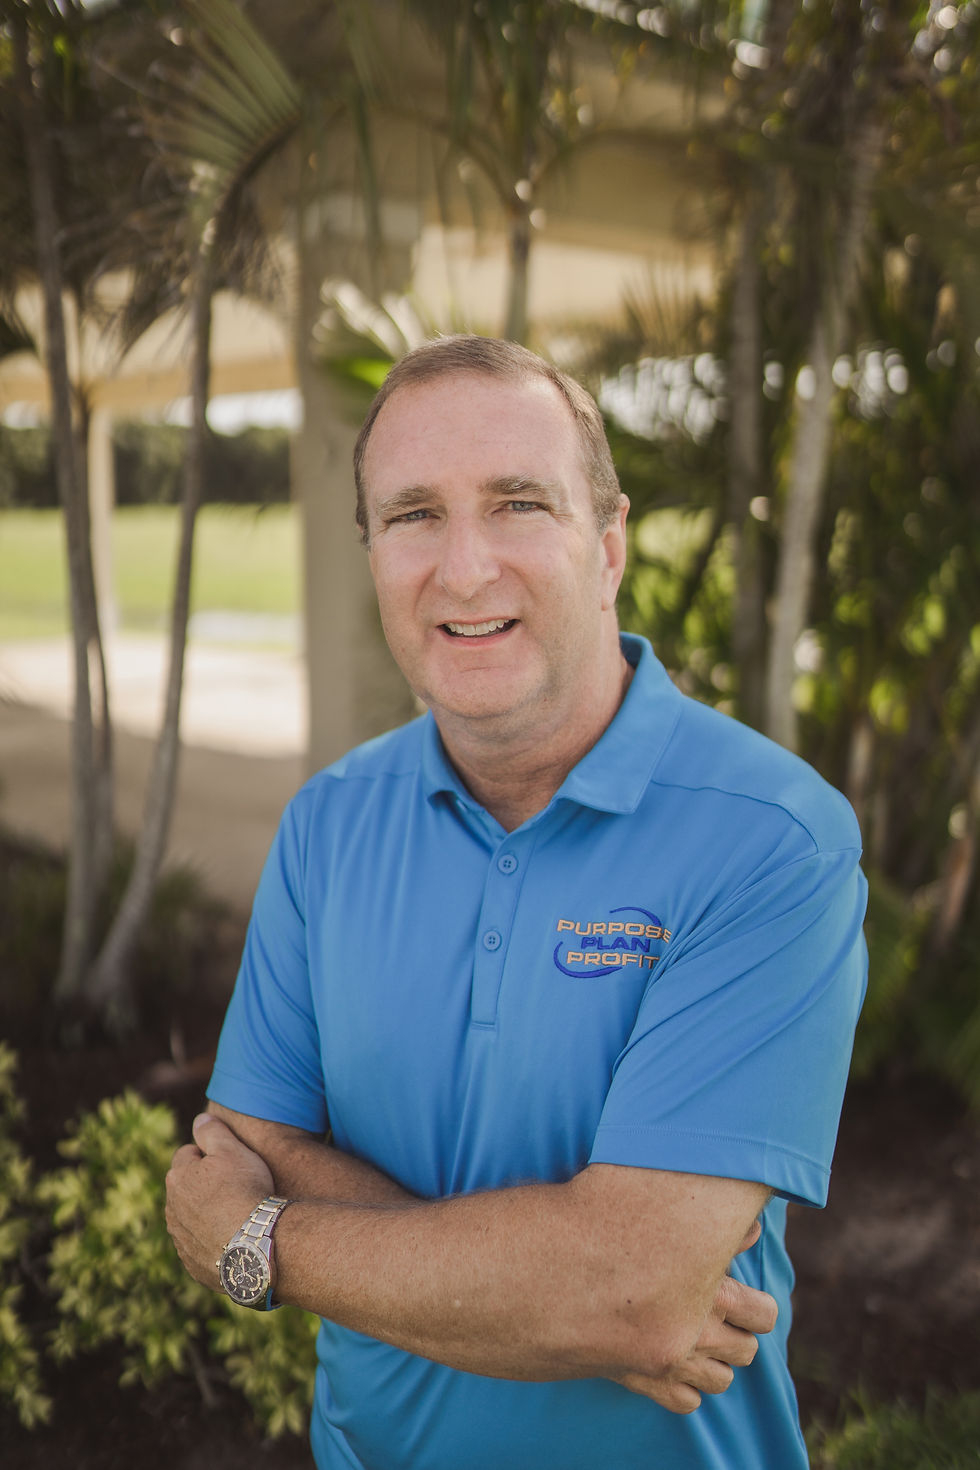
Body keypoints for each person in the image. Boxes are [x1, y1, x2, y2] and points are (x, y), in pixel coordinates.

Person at [166, 335, 867, 1470]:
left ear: (606, 547)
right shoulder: (329, 825)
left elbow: (633, 1289)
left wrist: (262, 1240)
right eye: (411, 516)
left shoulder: (768, 840)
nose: (463, 567)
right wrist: (567, 1298)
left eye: (517, 504)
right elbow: (250, 1138)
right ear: (371, 555)